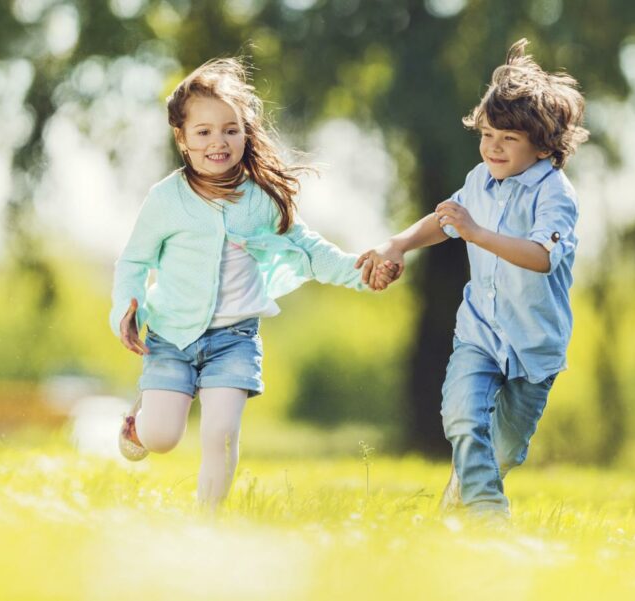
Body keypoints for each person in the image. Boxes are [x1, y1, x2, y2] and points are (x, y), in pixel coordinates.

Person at [111, 58, 395, 507]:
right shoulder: (166, 199)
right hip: (171, 335)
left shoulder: (260, 199)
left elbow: (309, 249)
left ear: (246, 132)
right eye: (203, 132)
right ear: (182, 139)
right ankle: (139, 421)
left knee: (221, 435)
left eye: (230, 129)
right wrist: (127, 311)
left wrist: (361, 273)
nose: (218, 142)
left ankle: (207, 525)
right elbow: (134, 260)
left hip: (235, 339)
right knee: (163, 437)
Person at [357, 39, 589, 519]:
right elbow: (445, 220)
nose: (493, 148)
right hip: (480, 333)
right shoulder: (479, 179)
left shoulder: (554, 194)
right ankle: (488, 516)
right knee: (462, 417)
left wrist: (477, 233)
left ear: (544, 145)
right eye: (487, 135)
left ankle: (463, 492)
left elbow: (542, 257)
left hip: (533, 345)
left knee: (504, 449)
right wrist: (397, 244)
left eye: (508, 139)